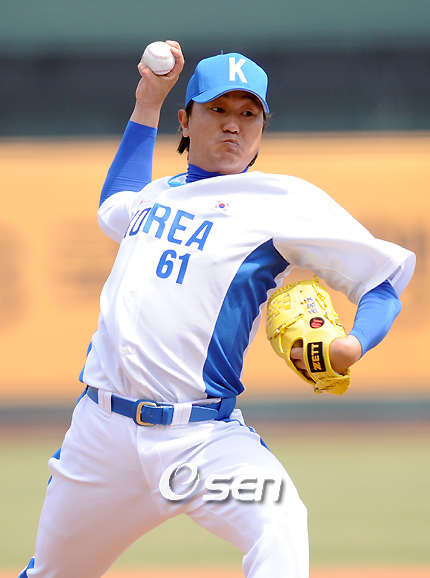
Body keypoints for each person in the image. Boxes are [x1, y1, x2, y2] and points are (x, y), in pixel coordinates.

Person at [20, 41, 415, 578]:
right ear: (185, 121)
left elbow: (383, 283)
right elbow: (114, 203)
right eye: (218, 109)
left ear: (262, 129)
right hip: (101, 435)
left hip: (202, 441)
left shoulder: (283, 202)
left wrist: (354, 344)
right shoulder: (156, 195)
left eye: (249, 114)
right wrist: (146, 103)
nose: (233, 125)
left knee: (281, 523)